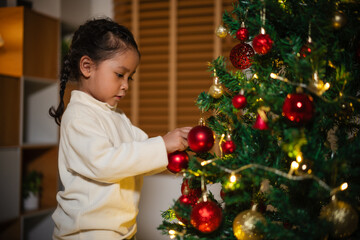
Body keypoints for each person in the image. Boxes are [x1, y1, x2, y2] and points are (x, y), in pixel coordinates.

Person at [49, 18, 191, 240]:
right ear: (87, 67)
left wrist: (174, 147)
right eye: (119, 74)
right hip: (87, 233)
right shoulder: (79, 115)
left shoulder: (117, 116)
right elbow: (105, 164)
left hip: (122, 230)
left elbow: (140, 157)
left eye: (129, 77)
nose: (125, 85)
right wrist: (163, 144)